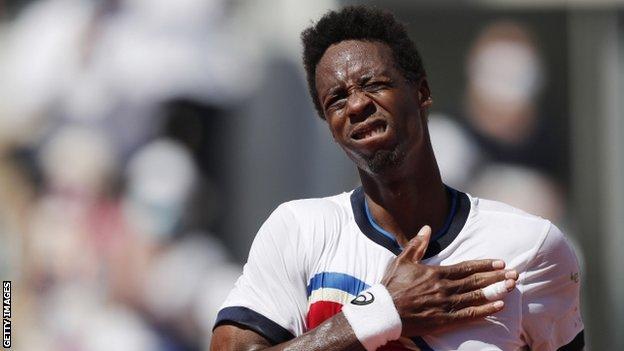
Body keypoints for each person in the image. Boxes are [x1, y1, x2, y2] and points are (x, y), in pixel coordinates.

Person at [211, 6, 584, 351]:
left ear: (421, 91)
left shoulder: (531, 248)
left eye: (372, 84)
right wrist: (380, 314)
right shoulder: (299, 230)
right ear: (331, 128)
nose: (356, 105)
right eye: (337, 100)